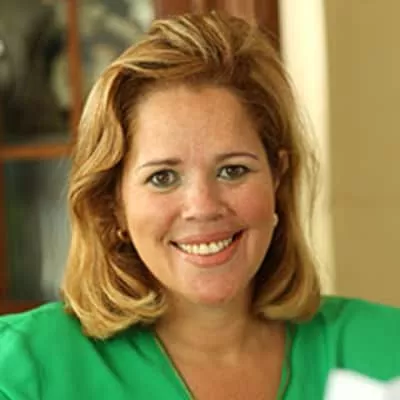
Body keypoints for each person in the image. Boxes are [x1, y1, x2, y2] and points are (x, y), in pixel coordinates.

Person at [0, 11, 399, 400]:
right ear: (114, 203)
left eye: (233, 170)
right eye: (162, 177)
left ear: (276, 178)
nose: (203, 207)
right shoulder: (22, 368)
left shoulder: (385, 348)